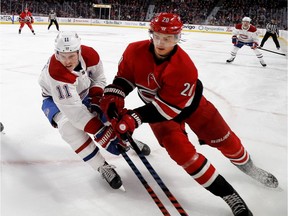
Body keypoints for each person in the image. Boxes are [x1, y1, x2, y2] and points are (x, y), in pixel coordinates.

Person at [100, 13, 279, 216]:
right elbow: (125, 79)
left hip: (193, 109)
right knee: (184, 155)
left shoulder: (183, 66)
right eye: (157, 36)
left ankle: (250, 168)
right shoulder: (134, 50)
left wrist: (134, 117)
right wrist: (114, 97)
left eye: (168, 38)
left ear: (177, 38)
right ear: (151, 34)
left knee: (228, 142)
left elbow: (169, 109)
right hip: (157, 114)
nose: (161, 42)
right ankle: (230, 195)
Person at [38, 31, 149, 189]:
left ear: (79, 51)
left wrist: (97, 98)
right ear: (56, 53)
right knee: (68, 128)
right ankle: (102, 166)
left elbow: (99, 78)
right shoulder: (56, 73)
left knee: (108, 111)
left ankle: (126, 139)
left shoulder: (90, 55)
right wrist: (100, 132)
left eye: (71, 56)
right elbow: (75, 113)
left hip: (84, 92)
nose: (67, 61)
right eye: (62, 56)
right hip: (55, 100)